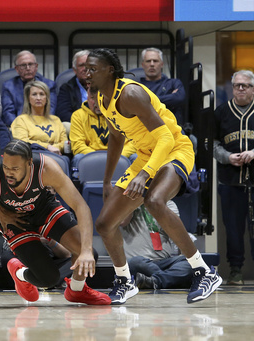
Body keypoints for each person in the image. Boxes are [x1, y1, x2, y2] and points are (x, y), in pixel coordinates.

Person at [86, 48, 221, 304]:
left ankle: (204, 272)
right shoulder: (102, 100)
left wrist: (145, 173)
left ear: (109, 70)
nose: (87, 73)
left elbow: (166, 137)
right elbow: (116, 137)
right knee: (105, 224)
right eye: (86, 68)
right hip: (147, 155)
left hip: (174, 149)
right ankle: (125, 281)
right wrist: (106, 180)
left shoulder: (131, 93)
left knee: (155, 201)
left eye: (93, 68)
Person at [0, 139, 111, 305]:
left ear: (29, 163)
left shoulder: (46, 168)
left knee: (88, 253)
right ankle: (20, 274)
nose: (9, 172)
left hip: (43, 209)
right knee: (47, 278)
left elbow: (81, 206)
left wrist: (87, 249)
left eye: (15, 168)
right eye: (6, 167)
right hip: (12, 218)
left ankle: (77, 290)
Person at [214, 69, 254, 286]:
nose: (240, 89)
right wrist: (227, 157)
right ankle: (236, 270)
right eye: (237, 85)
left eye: (245, 85)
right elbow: (212, 143)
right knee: (233, 228)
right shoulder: (221, 112)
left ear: (253, 89)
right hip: (230, 179)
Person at [120, 201, 193, 289]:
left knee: (190, 262)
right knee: (135, 262)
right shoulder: (124, 201)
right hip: (138, 264)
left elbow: (174, 231)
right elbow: (123, 221)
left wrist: (155, 202)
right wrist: (134, 199)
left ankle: (155, 281)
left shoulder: (168, 203)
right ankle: (169, 278)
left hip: (164, 262)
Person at [69, 87, 136, 173]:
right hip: (90, 156)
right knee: (78, 158)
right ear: (87, 98)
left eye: (101, 97)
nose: (97, 102)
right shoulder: (78, 115)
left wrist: (117, 156)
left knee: (135, 157)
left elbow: (133, 142)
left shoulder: (122, 113)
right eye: (93, 98)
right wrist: (98, 157)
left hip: (119, 155)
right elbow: (77, 146)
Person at [11, 81, 68, 157]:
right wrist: (47, 147)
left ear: (47, 98)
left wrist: (54, 148)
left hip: (56, 155)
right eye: (34, 94)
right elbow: (23, 142)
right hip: (32, 156)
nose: (38, 98)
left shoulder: (56, 120)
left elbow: (65, 142)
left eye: (41, 94)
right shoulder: (21, 120)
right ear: (28, 98)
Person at [2, 51, 57, 126]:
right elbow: (8, 113)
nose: (28, 68)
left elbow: (50, 111)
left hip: (43, 126)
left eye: (30, 64)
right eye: (23, 65)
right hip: (18, 127)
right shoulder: (9, 86)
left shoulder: (49, 85)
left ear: (36, 66)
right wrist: (20, 127)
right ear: (17, 69)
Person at [139, 48, 186, 125]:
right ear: (143, 65)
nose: (152, 64)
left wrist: (147, 100)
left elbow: (179, 98)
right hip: (145, 129)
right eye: (148, 61)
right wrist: (170, 97)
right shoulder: (136, 86)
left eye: (155, 61)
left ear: (161, 64)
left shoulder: (173, 83)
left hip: (172, 128)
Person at [56, 50, 90, 123]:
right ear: (75, 70)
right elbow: (63, 114)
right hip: (78, 125)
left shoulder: (102, 86)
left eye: (88, 64)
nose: (85, 68)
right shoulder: (66, 88)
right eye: (81, 65)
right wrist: (84, 122)